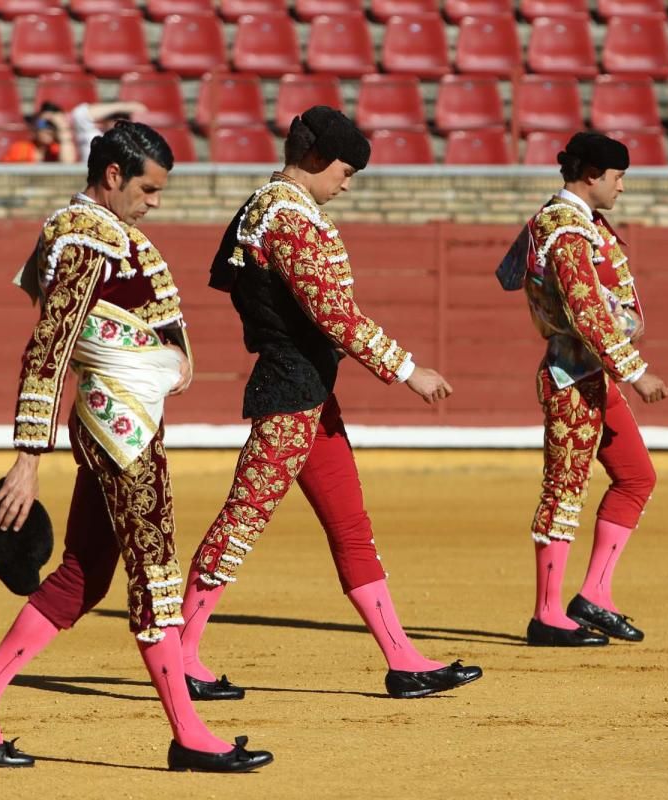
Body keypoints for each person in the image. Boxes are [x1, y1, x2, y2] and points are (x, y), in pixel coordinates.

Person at [0, 122, 273, 773]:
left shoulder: (90, 231)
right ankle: (190, 734)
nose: (155, 201)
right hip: (120, 430)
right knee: (155, 574)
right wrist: (26, 459)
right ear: (113, 175)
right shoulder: (88, 236)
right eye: (148, 188)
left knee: (84, 574)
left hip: (115, 418)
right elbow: (50, 345)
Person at [177, 106, 483, 703]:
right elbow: (332, 313)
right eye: (345, 170)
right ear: (316, 160)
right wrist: (407, 368)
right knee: (242, 520)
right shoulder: (283, 217)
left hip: (310, 390)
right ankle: (180, 654)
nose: (348, 182)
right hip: (291, 393)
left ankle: (402, 659)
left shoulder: (271, 209)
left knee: (349, 525)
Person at [509, 132, 668, 648]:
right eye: (619, 177)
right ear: (594, 175)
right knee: (563, 490)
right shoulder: (565, 228)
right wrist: (635, 370)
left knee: (636, 476)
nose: (623, 187)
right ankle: (547, 614)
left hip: (589, 374)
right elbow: (584, 310)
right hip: (571, 377)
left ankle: (595, 595)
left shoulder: (570, 222)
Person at [69, 100, 147, 163]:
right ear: (104, 121)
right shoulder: (93, 133)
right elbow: (79, 114)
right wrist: (120, 106)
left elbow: (142, 109)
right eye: (115, 117)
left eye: (125, 117)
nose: (121, 121)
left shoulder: (132, 139)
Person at [2, 102, 76, 164]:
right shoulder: (20, 149)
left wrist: (62, 129)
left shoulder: (59, 150)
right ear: (35, 124)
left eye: (53, 125)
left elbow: (68, 168)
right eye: (45, 124)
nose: (49, 130)